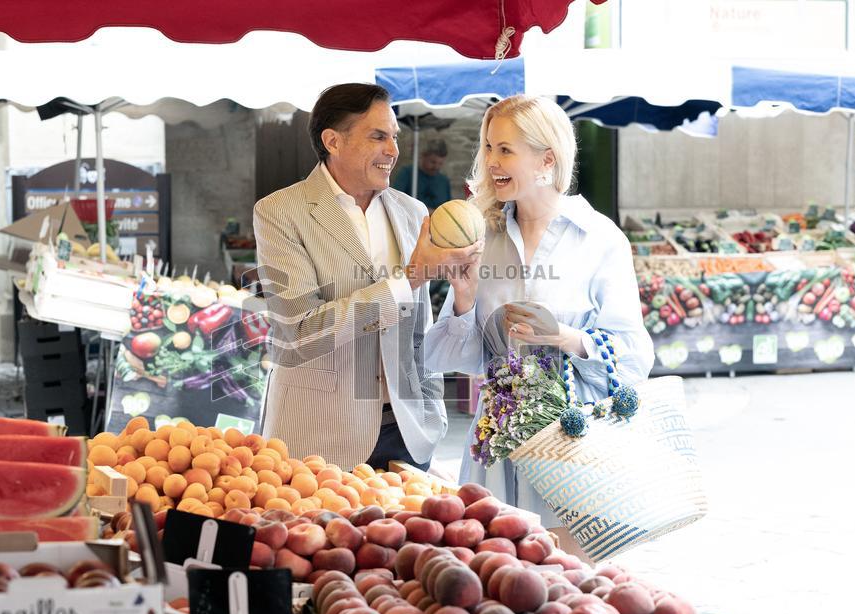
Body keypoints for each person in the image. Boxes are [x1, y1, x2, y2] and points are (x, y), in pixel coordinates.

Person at [423, 95, 655, 524]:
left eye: (505, 149)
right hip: (497, 442)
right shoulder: (481, 237)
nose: (491, 161)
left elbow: (634, 357)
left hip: (576, 440)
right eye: (488, 147)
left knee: (565, 562)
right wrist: (464, 298)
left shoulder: (599, 239)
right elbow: (457, 358)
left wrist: (564, 337)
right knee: (497, 559)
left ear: (547, 159)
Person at [254, 83, 482, 473]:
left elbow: (418, 332)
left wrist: (431, 411)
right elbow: (301, 332)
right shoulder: (280, 212)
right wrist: (409, 279)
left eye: (394, 137)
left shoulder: (413, 212)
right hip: (320, 436)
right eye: (378, 136)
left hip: (408, 432)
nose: (393, 150)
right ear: (332, 141)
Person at [393, 139, 452, 212]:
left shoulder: (444, 181)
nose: (436, 167)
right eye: (433, 162)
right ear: (423, 157)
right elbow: (395, 199)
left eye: (440, 163)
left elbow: (448, 207)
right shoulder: (407, 174)